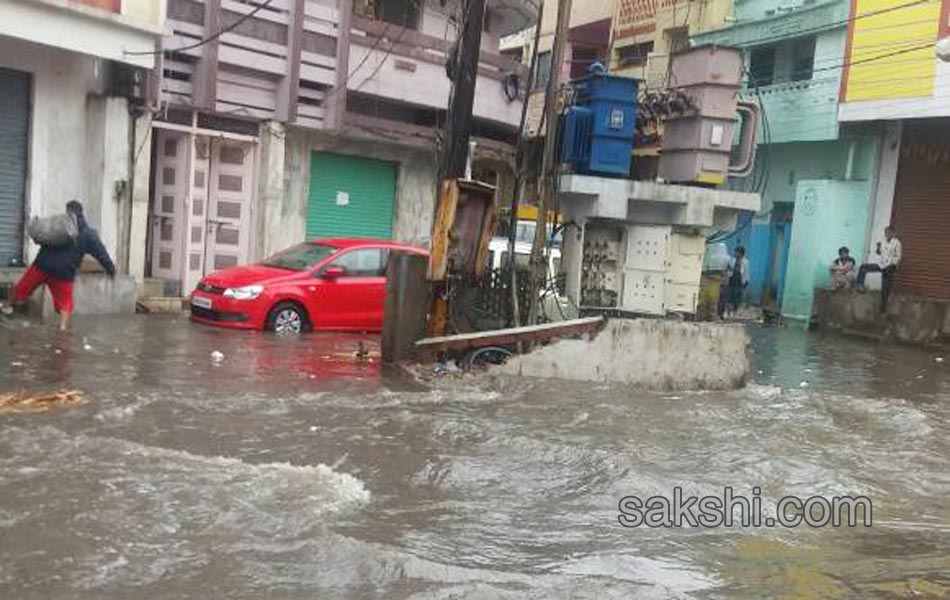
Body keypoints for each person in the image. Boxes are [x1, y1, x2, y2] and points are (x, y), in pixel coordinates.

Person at [7, 200, 115, 330]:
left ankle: (7, 307)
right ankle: (62, 328)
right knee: (65, 303)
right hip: (64, 273)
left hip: (42, 265)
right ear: (82, 212)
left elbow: (42, 236)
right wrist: (110, 268)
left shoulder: (57, 225)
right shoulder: (89, 234)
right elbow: (100, 252)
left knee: (21, 288)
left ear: (68, 211)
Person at [856, 226, 901, 312]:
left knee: (885, 288)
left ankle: (882, 308)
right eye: (885, 232)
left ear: (893, 233)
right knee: (863, 267)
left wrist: (893, 265)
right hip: (881, 264)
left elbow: (898, 257)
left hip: (890, 267)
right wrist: (878, 248)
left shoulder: (897, 243)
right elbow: (879, 252)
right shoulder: (883, 242)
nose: (886, 234)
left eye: (888, 232)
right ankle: (860, 285)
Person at [719, 246, 750, 319]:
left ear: (741, 254)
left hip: (739, 283)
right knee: (729, 297)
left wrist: (745, 284)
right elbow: (728, 270)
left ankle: (734, 312)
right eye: (735, 252)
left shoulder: (745, 262)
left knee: (736, 299)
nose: (735, 254)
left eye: (737, 252)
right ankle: (728, 312)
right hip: (731, 282)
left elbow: (746, 273)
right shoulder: (731, 260)